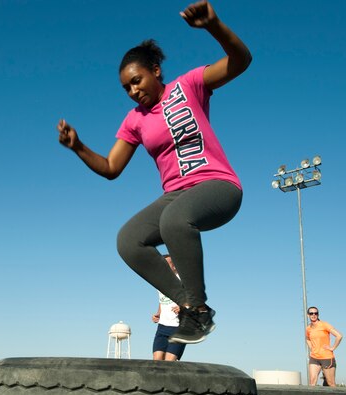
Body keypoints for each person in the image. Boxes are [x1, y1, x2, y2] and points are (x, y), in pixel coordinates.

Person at [57, 1, 251, 345]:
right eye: (127, 88)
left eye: (137, 81)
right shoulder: (134, 119)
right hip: (176, 195)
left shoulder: (189, 85)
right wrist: (78, 147)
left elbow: (241, 61)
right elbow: (111, 168)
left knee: (174, 220)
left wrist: (214, 26)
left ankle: (200, 308)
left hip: (217, 185)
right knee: (128, 240)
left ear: (155, 70)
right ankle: (191, 308)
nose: (133, 91)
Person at [152, 256, 186, 361]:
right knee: (157, 360)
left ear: (175, 266)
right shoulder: (160, 281)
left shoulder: (183, 279)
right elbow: (162, 300)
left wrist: (183, 307)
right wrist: (158, 313)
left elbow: (194, 297)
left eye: (168, 263)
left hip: (178, 327)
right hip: (162, 326)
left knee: (169, 361)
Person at [305, 307, 343, 387]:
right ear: (308, 315)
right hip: (314, 357)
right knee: (312, 382)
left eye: (316, 313)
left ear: (318, 314)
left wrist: (333, 347)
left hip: (326, 357)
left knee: (331, 383)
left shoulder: (324, 324)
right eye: (311, 313)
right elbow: (307, 339)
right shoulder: (308, 328)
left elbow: (339, 336)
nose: (314, 315)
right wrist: (312, 348)